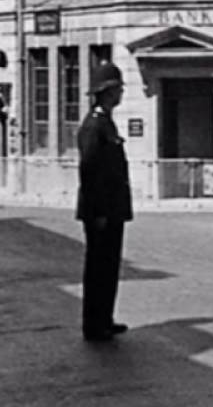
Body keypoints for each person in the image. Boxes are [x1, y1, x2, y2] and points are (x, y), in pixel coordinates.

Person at [76, 62, 133, 342]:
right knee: (98, 268)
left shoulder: (106, 122)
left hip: (112, 210)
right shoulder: (94, 125)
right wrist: (97, 211)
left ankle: (104, 319)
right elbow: (89, 172)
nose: (121, 93)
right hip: (101, 211)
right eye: (118, 89)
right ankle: (93, 324)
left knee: (109, 266)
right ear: (108, 92)